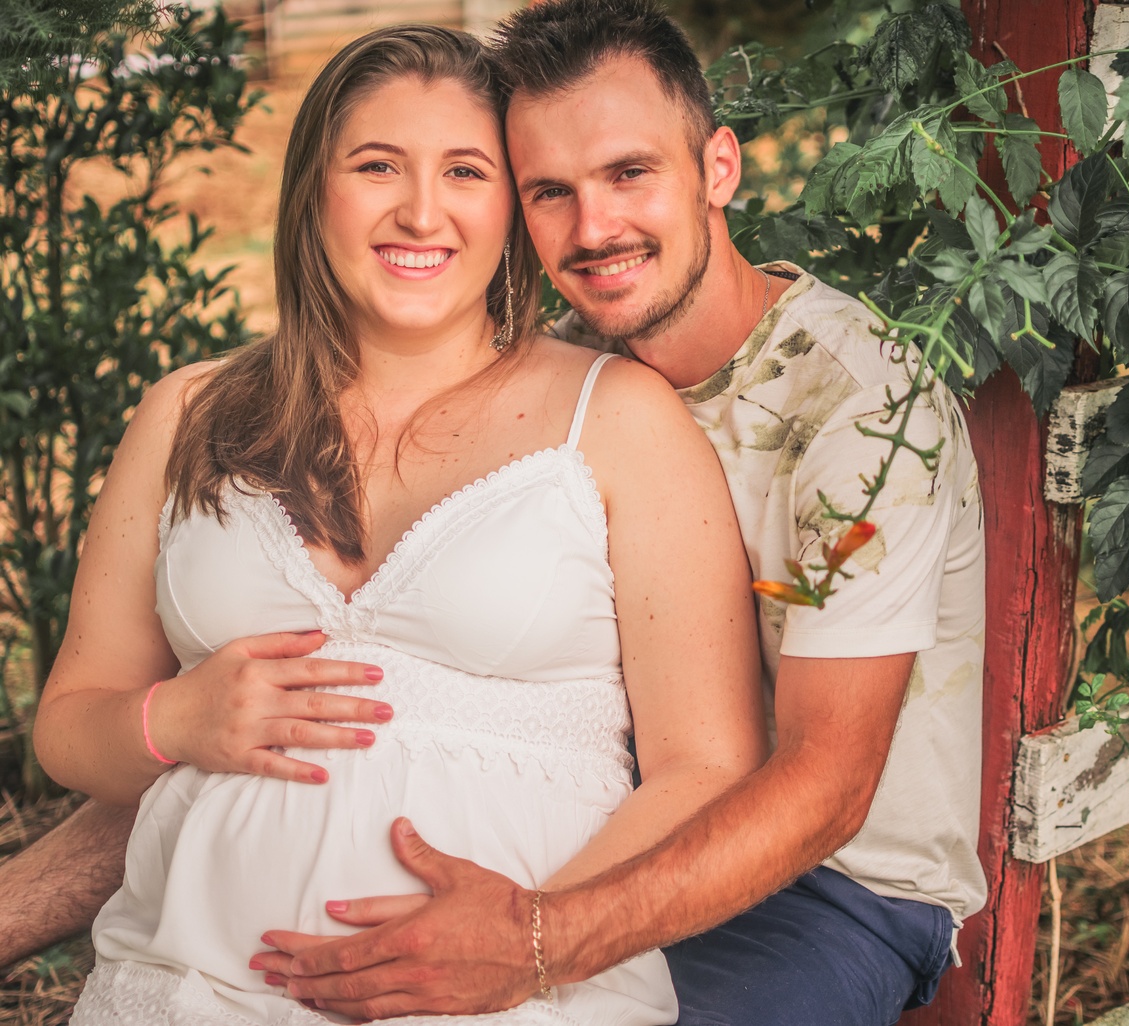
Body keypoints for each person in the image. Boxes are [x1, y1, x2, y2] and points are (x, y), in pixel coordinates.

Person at [252, 3, 989, 1025]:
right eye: (550, 192)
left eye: (629, 173)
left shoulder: (861, 409)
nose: (593, 230)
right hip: (594, 817)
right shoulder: (570, 379)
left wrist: (532, 944)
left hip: (828, 891)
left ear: (717, 168)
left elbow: (825, 785)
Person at [29, 23, 766, 1026]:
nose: (421, 211)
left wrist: (529, 939)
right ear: (313, 189)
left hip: (515, 1000)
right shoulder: (187, 416)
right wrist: (174, 720)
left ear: (512, 207)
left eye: (466, 172)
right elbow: (71, 727)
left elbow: (708, 766)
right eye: (377, 165)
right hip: (185, 986)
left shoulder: (619, 420)